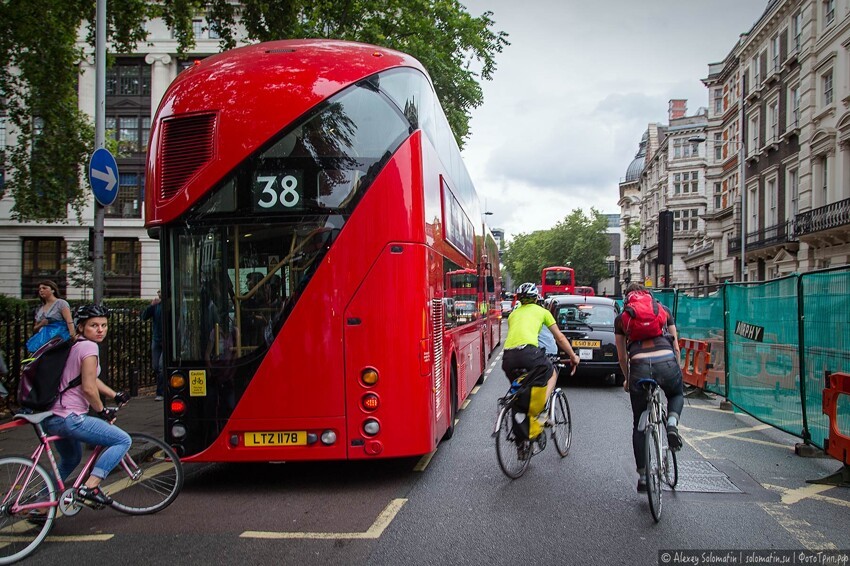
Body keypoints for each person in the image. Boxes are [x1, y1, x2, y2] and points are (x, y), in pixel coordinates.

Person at [42, 304, 131, 506]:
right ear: (81, 327)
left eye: (104, 325)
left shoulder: (74, 345)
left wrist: (113, 393)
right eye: (93, 325)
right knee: (122, 440)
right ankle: (90, 487)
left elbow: (84, 378)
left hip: (53, 417)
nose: (100, 330)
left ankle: (40, 506)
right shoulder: (90, 347)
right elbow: (89, 388)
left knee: (71, 459)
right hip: (71, 418)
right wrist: (103, 411)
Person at [614, 283, 684, 493]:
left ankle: (644, 477)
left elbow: (621, 356)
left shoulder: (622, 319)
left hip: (640, 367)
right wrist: (676, 369)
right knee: (676, 393)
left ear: (628, 299)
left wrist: (627, 380)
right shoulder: (663, 310)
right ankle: (671, 423)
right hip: (666, 361)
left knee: (639, 423)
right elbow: (676, 346)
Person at [503, 282, 580, 414]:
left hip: (508, 357)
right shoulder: (543, 312)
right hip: (528, 353)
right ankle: (540, 408)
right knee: (551, 371)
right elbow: (560, 338)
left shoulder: (512, 315)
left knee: (520, 387)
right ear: (536, 298)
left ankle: (519, 409)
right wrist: (573, 356)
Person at [27, 280, 75, 352]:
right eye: (40, 289)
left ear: (53, 290)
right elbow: (35, 328)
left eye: (44, 288)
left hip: (58, 340)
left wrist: (72, 335)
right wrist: (41, 324)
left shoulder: (61, 303)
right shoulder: (40, 308)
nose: (41, 291)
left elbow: (69, 321)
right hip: (43, 342)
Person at [141, 290, 164, 401]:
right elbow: (144, 316)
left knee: (161, 367)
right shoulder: (156, 306)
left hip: (165, 341)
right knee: (156, 366)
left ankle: (160, 392)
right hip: (157, 339)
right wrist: (151, 306)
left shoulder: (170, 305)